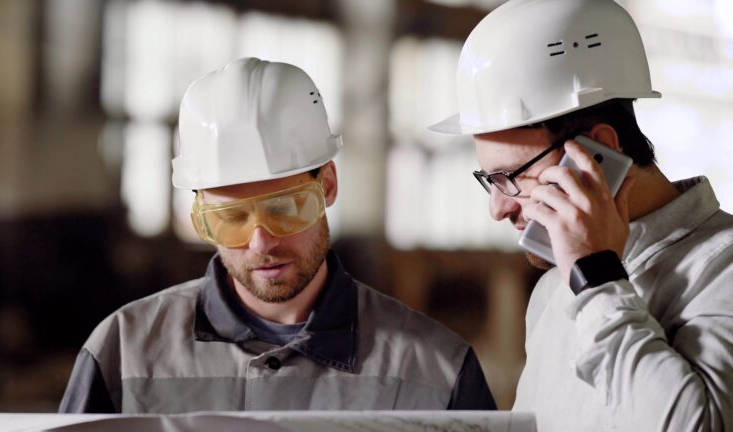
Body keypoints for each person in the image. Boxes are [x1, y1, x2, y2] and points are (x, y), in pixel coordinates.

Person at [60, 58, 496, 413]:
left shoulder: (436, 369)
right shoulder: (124, 351)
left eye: (284, 209)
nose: (260, 243)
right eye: (231, 218)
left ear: (327, 185)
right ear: (200, 217)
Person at [429, 0, 733, 430]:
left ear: (597, 152)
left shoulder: (723, 269)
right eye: (488, 178)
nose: (497, 207)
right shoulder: (554, 290)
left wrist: (596, 276)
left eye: (510, 176)